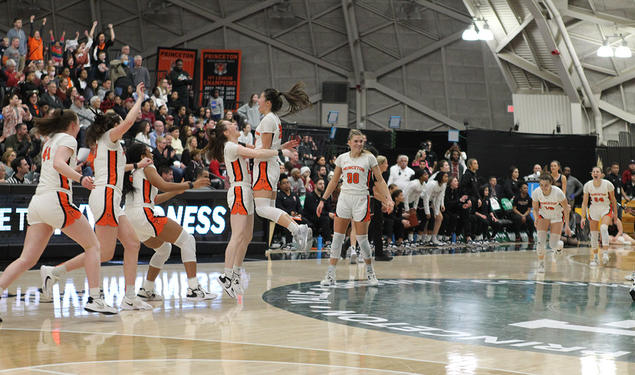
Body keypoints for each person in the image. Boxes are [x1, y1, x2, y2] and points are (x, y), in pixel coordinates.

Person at [40, 83, 153, 311]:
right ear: (113, 125)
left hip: (110, 197)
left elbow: (117, 168)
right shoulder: (110, 137)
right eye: (119, 121)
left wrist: (137, 165)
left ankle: (129, 297)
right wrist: (139, 98)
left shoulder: (111, 145)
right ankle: (55, 273)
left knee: (132, 243)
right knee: (103, 251)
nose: (123, 124)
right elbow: (130, 121)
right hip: (107, 196)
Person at [0, 110, 117, 322]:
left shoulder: (50, 141)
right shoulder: (69, 139)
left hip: (38, 202)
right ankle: (94, 298)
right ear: (72, 124)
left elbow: (59, 165)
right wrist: (81, 178)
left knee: (26, 259)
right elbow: (58, 165)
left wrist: (75, 169)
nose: (80, 127)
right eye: (78, 124)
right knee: (94, 246)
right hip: (56, 199)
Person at [205, 120, 296, 297]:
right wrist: (281, 152)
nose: (234, 124)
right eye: (230, 124)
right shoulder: (230, 146)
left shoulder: (235, 144)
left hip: (246, 190)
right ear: (225, 132)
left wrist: (282, 146)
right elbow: (256, 153)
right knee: (238, 235)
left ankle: (236, 274)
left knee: (246, 236)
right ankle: (227, 275)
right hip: (239, 189)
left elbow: (259, 147)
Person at [122, 143, 215, 301]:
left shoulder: (132, 171)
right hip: (143, 214)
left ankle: (147, 289)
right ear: (141, 156)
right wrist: (191, 184)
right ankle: (193, 288)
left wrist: (176, 191)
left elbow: (155, 199)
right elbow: (163, 185)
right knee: (187, 240)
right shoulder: (148, 166)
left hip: (130, 218)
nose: (151, 153)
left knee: (164, 249)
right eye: (148, 151)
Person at [317, 129, 394, 286]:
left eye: (361, 141)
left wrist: (389, 198)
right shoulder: (342, 158)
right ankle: (330, 274)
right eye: (356, 141)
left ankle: (370, 273)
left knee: (362, 239)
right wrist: (323, 199)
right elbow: (333, 181)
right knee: (337, 238)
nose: (359, 144)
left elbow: (379, 181)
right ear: (349, 143)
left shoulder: (369, 158)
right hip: (344, 198)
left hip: (361, 199)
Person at [252, 82, 312, 251]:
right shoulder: (274, 119)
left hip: (264, 167)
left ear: (268, 102)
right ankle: (297, 229)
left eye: (261, 98)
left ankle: (297, 229)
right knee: (269, 208)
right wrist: (280, 147)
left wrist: (243, 151)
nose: (258, 101)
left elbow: (263, 150)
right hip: (270, 166)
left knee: (262, 209)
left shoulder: (267, 120)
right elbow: (268, 148)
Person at [531, 174, 571, 273]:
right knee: (540, 241)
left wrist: (567, 225)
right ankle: (541, 264)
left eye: (546, 185)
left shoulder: (558, 193)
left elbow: (566, 208)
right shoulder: (536, 192)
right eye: (541, 185)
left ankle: (559, 246)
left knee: (553, 245)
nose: (543, 188)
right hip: (543, 216)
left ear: (551, 184)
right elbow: (535, 209)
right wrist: (536, 218)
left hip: (556, 217)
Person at [581, 166, 618, 267]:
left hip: (605, 208)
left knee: (603, 228)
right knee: (593, 234)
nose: (595, 173)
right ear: (592, 174)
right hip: (594, 209)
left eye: (597, 172)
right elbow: (584, 203)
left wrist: (616, 214)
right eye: (594, 172)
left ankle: (605, 254)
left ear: (601, 174)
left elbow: (613, 200)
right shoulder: (587, 185)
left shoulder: (608, 185)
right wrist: (583, 217)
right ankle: (596, 258)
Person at [369, 155, 393, 261]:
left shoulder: (381, 176)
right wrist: (386, 202)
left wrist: (384, 202)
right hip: (370, 202)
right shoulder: (374, 175)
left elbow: (380, 193)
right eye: (386, 163)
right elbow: (374, 193)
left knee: (376, 227)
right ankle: (378, 253)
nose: (387, 165)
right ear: (380, 164)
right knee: (372, 227)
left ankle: (379, 252)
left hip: (376, 203)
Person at [403, 168, 429, 242]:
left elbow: (417, 196)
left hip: (411, 203)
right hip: (404, 202)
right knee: (408, 220)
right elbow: (405, 195)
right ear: (420, 176)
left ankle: (411, 239)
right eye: (425, 174)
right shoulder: (414, 183)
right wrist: (407, 209)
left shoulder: (423, 184)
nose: (427, 176)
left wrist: (414, 208)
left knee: (413, 221)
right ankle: (405, 239)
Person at [424, 171, 448, 245]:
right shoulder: (432, 184)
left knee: (439, 217)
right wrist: (427, 211)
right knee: (428, 217)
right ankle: (425, 239)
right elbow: (426, 198)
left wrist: (437, 212)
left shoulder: (443, 185)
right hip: (422, 200)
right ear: (440, 177)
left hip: (432, 201)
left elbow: (438, 199)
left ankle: (434, 238)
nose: (447, 178)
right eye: (445, 176)